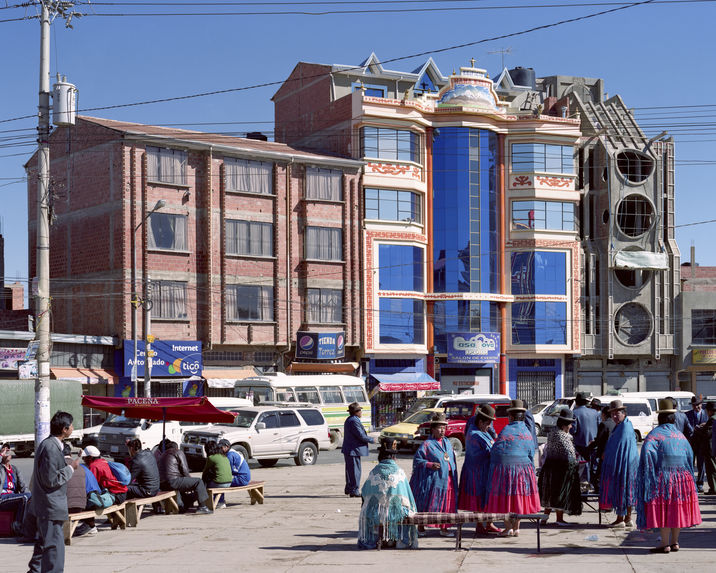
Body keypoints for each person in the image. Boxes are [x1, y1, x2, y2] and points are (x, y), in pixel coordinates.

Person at [637, 399, 702, 553]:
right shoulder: (680, 436)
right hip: (682, 478)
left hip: (663, 478)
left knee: (664, 510)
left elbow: (647, 454)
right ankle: (675, 542)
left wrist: (648, 476)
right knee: (676, 509)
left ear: (660, 418)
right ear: (673, 419)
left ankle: (664, 544)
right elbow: (689, 456)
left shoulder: (655, 435)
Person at [27, 410, 81, 573]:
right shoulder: (50, 447)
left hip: (47, 505)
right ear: (65, 429)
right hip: (50, 505)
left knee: (45, 544)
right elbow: (50, 479)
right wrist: (71, 468)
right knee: (54, 548)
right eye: (71, 425)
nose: (72, 428)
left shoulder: (51, 445)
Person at [485, 399, 540, 537]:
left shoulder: (506, 430)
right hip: (523, 470)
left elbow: (496, 450)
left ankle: (508, 526)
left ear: (510, 416)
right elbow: (531, 451)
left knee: (506, 497)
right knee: (518, 497)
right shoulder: (526, 432)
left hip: (505, 470)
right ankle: (517, 528)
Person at [358, 440, 418, 550]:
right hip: (395, 515)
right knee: (404, 510)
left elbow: (364, 493)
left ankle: (377, 538)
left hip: (376, 514)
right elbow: (408, 495)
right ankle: (398, 539)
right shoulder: (399, 472)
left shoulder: (374, 471)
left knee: (369, 509)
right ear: (394, 457)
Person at [410, 412, 458, 537]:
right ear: (433, 429)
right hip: (433, 481)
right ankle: (421, 527)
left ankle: (444, 527)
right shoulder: (427, 444)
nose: (442, 430)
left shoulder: (447, 442)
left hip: (447, 479)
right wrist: (430, 464)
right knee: (427, 502)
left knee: (446, 504)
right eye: (439, 427)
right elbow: (417, 460)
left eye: (444, 427)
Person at [458, 405, 500, 534]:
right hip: (477, 472)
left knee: (485, 498)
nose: (489, 427)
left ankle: (488, 523)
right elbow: (492, 449)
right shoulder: (475, 434)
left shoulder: (481, 431)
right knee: (479, 499)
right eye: (488, 424)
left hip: (482, 470)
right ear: (480, 422)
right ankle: (480, 524)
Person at [599, 400, 638, 528]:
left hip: (624, 464)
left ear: (624, 413)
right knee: (627, 490)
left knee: (622, 489)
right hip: (627, 463)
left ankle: (620, 518)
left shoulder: (625, 427)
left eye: (617, 414)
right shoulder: (623, 425)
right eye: (612, 414)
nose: (614, 416)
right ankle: (627, 518)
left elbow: (620, 448)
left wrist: (607, 456)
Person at [538, 409, 582, 525]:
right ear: (564, 425)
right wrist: (577, 464)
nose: (571, 427)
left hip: (549, 465)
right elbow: (571, 454)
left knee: (550, 493)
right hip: (560, 468)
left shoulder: (552, 432)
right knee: (559, 493)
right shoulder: (563, 436)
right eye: (570, 424)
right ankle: (559, 519)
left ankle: (544, 518)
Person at [157, 441, 212, 514]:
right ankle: (202, 507)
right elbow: (184, 469)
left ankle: (183, 505)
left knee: (186, 490)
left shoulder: (162, 455)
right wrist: (189, 480)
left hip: (162, 483)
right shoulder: (178, 452)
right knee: (198, 482)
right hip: (173, 481)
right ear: (176, 447)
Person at [341, 402, 374, 498]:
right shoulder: (354, 421)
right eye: (360, 410)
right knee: (355, 471)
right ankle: (354, 490)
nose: (361, 412)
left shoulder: (351, 419)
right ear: (356, 412)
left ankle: (350, 488)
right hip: (353, 449)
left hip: (351, 449)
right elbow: (360, 435)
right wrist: (372, 440)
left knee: (350, 470)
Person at [0, 442, 31, 537]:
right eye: (4, 450)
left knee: (28, 497)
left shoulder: (14, 469)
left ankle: (28, 527)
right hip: (2, 498)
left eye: (8, 450)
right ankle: (17, 526)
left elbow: (23, 487)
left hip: (12, 498)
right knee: (24, 497)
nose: (7, 452)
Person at [570, 392, 598, 485]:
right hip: (594, 445)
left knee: (582, 469)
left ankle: (584, 490)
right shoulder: (595, 413)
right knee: (593, 467)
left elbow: (573, 430)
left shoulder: (574, 413)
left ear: (577, 402)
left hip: (580, 445)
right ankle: (592, 487)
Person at [216, 439, 250, 509]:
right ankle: (219, 501)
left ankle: (220, 502)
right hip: (244, 477)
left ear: (227, 447)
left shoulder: (230, 455)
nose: (220, 449)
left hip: (241, 479)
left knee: (220, 482)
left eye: (221, 447)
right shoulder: (233, 452)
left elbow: (228, 471)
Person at [588, 405, 616, 493]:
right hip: (613, 454)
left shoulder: (603, 424)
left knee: (599, 474)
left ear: (604, 414)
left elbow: (599, 440)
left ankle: (600, 491)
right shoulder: (615, 423)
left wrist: (590, 446)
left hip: (604, 454)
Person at [686, 396, 708, 492]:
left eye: (698, 405)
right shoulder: (686, 415)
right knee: (690, 464)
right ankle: (691, 484)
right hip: (691, 443)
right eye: (694, 405)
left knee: (701, 465)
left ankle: (700, 484)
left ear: (701, 404)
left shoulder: (706, 415)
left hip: (703, 444)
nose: (696, 407)